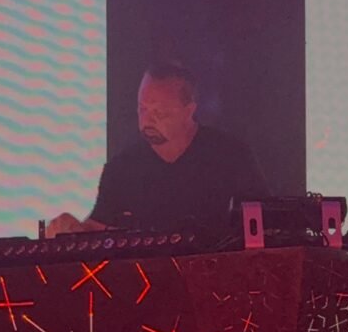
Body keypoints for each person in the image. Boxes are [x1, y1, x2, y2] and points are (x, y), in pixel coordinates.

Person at [47, 62, 268, 236]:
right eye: (142, 109)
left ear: (189, 110)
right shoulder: (123, 168)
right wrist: (73, 229)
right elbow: (99, 228)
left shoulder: (230, 157)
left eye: (159, 112)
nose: (148, 120)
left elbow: (265, 224)